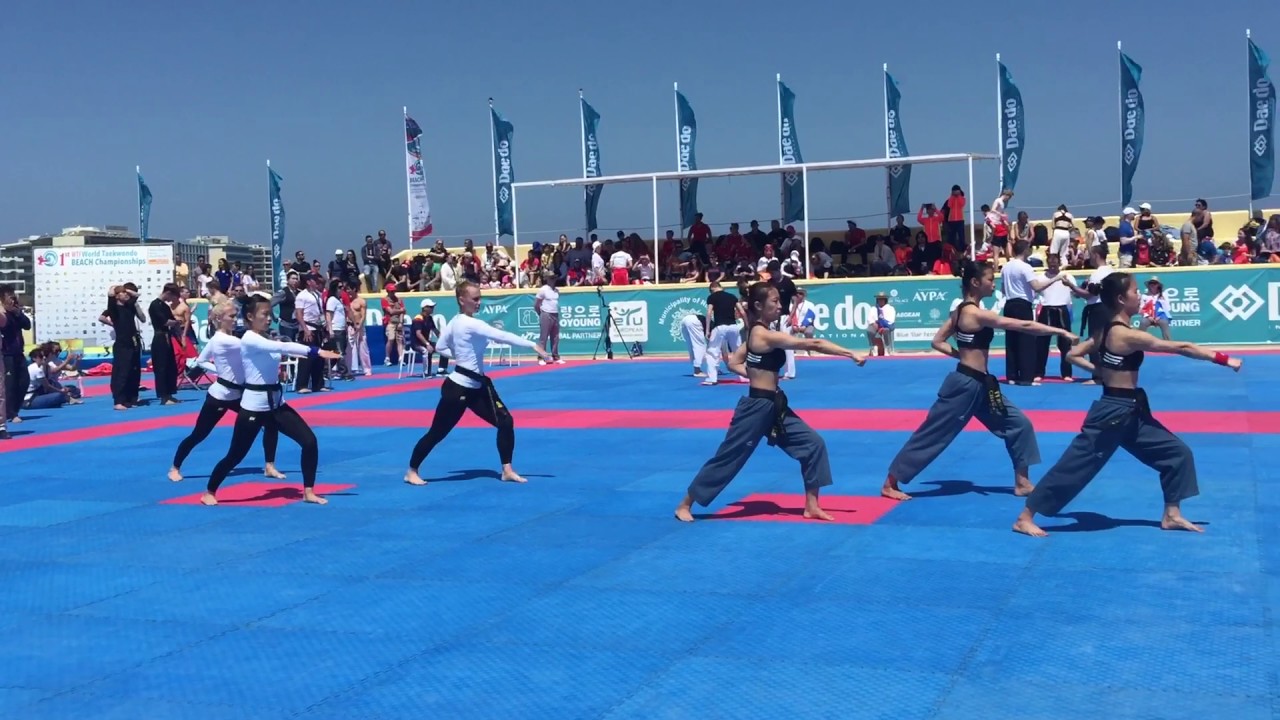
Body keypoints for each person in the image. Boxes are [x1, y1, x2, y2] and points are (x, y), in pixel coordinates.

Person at [1013, 273, 1242, 537]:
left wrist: (1101, 370)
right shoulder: (1124, 334)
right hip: (1112, 411)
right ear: (1121, 299)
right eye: (1135, 291)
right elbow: (1182, 346)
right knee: (1075, 466)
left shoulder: (1106, 331)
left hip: (1132, 411)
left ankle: (1172, 514)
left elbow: (1073, 354)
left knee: (1177, 454)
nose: (1140, 295)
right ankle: (1025, 517)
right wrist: (1224, 359)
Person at [881, 260, 1078, 501]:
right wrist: (1059, 331)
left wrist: (961, 355)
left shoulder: (961, 311)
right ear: (975, 282)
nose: (993, 282)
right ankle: (891, 483)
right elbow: (1023, 325)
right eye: (989, 278)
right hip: (964, 386)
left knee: (1019, 424)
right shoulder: (974, 313)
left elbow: (937, 342)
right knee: (933, 433)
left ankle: (1022, 482)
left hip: (984, 386)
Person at [675, 282, 868, 523]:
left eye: (779, 301)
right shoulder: (761, 334)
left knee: (813, 444)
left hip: (775, 405)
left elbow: (734, 362)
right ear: (758, 305)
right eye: (774, 301)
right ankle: (685, 504)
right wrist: (851, 354)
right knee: (730, 456)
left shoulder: (758, 332)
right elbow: (813, 344)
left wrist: (754, 372)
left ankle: (811, 505)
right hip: (755, 408)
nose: (779, 305)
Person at [404, 282, 551, 486]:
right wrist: (533, 345)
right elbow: (501, 336)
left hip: (478, 387)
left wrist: (457, 355)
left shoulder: (456, 322)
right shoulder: (467, 323)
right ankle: (411, 471)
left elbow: (440, 346)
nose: (479, 302)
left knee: (506, 421)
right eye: (475, 299)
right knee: (438, 432)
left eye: (480, 297)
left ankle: (507, 469)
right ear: (461, 300)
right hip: (457, 388)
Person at [202, 293, 341, 506]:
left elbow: (277, 353)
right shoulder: (249, 338)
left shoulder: (266, 337)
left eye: (270, 314)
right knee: (236, 455)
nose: (269, 319)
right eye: (265, 315)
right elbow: (282, 348)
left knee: (309, 441)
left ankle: (308, 491)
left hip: (276, 404)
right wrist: (316, 351)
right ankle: (210, 491)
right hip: (253, 406)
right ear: (249, 316)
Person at [168, 302, 284, 483]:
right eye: (231, 316)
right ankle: (175, 467)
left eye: (235, 316)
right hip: (219, 396)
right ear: (218, 318)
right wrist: (220, 372)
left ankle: (270, 464)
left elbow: (202, 360)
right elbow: (201, 360)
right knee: (199, 434)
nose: (235, 320)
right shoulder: (222, 340)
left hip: (239, 395)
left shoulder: (231, 339)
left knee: (270, 423)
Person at [100, 284, 145, 411]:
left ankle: (131, 398)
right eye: (123, 293)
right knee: (122, 372)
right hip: (122, 345)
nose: (126, 295)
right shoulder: (114, 309)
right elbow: (110, 297)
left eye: (126, 293)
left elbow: (136, 296)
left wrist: (126, 290)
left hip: (134, 342)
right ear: (117, 296)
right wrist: (114, 290)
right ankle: (119, 400)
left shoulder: (129, 307)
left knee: (134, 371)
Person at [148, 283, 182, 405]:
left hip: (168, 336)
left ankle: (170, 393)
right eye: (172, 296)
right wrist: (177, 322)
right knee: (161, 367)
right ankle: (163, 396)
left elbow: (172, 320)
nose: (171, 300)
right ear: (168, 293)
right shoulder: (155, 305)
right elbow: (166, 322)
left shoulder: (165, 307)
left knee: (170, 366)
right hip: (160, 337)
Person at [702, 281, 742, 385]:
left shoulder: (712, 297)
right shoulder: (732, 296)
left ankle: (712, 379)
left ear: (712, 289)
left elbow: (709, 313)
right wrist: (747, 324)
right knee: (738, 351)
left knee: (712, 352)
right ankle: (744, 376)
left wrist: (707, 330)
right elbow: (741, 311)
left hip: (720, 326)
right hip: (733, 326)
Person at [534, 273, 564, 365]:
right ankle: (541, 357)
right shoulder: (543, 290)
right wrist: (541, 313)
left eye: (554, 278)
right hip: (546, 313)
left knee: (555, 337)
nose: (553, 280)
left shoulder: (556, 290)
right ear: (547, 279)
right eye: (551, 278)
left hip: (555, 314)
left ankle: (555, 356)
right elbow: (536, 304)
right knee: (543, 337)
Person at [680, 311, 708, 377]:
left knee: (691, 345)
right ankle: (697, 371)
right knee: (700, 345)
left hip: (685, 319)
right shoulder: (715, 330)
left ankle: (697, 368)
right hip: (694, 321)